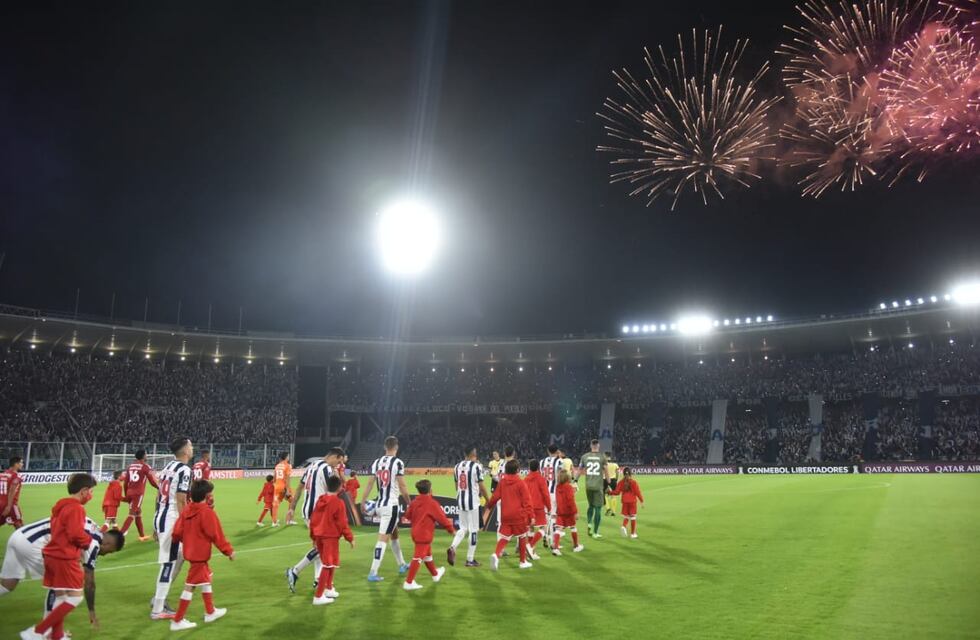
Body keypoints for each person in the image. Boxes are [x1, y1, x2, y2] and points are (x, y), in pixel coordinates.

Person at [2, 500, 124, 637]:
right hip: (34, 545)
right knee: (62, 585)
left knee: (8, 584)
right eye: (110, 551)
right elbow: (89, 583)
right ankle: (47, 632)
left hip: (19, 535)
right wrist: (92, 611)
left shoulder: (91, 524)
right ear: (108, 543)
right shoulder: (94, 544)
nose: (107, 554)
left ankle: (53, 632)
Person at [18, 473, 97, 640]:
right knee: (75, 598)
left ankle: (57, 635)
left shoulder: (60, 506)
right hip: (64, 558)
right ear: (83, 491)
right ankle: (37, 632)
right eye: (91, 491)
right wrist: (88, 540)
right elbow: (75, 534)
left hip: (51, 556)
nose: (92, 495)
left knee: (61, 597)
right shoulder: (76, 508)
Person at [169, 480, 234, 631]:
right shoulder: (206, 512)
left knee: (205, 579)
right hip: (199, 555)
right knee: (190, 586)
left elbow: (177, 532)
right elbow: (216, 535)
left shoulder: (187, 510)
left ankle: (210, 611)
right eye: (211, 493)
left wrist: (183, 539)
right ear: (207, 495)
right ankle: (177, 620)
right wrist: (228, 551)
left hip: (190, 553)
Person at [284, 447, 345, 591]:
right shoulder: (327, 469)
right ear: (334, 456)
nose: (338, 464)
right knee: (323, 547)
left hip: (307, 510)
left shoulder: (313, 465)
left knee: (318, 546)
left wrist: (292, 508)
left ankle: (318, 580)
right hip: (318, 512)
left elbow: (299, 487)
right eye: (339, 461)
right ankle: (295, 571)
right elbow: (335, 490)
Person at [150, 437, 194, 621]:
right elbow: (181, 499)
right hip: (172, 519)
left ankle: (159, 598)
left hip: (161, 516)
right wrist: (187, 525)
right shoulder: (184, 470)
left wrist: (155, 523)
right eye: (190, 445)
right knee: (168, 563)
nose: (192, 448)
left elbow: (159, 494)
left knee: (181, 556)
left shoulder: (168, 467)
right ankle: (158, 608)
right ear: (185, 451)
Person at [361, 436, 411, 582]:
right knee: (383, 539)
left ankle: (402, 564)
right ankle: (373, 572)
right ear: (396, 447)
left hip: (379, 504)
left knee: (394, 534)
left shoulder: (377, 462)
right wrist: (409, 502)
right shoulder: (398, 462)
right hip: (391, 506)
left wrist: (363, 501)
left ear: (385, 447)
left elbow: (370, 484)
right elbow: (402, 486)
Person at [308, 476, 354, 605]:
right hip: (330, 537)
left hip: (319, 536)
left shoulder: (320, 500)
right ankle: (318, 596)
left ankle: (328, 589)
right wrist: (350, 538)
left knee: (331, 563)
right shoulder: (338, 503)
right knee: (328, 565)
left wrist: (313, 536)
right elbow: (343, 523)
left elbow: (313, 520)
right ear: (339, 487)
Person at [403, 479, 455, 590]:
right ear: (430, 489)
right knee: (418, 557)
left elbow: (407, 516)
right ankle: (408, 582)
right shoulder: (432, 503)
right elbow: (442, 518)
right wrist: (451, 530)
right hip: (424, 535)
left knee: (427, 555)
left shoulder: (414, 502)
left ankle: (435, 575)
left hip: (416, 533)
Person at [483, 459, 533, 571]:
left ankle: (496, 555)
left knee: (504, 538)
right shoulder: (521, 483)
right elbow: (527, 501)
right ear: (517, 470)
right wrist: (530, 516)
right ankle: (522, 561)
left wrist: (489, 506)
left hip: (505, 515)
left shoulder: (502, 482)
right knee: (522, 536)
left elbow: (495, 497)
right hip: (518, 515)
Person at [447, 445, 489, 568]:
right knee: (473, 530)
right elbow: (481, 486)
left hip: (460, 500)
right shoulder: (476, 467)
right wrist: (488, 499)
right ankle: (470, 559)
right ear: (473, 454)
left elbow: (456, 486)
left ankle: (452, 547)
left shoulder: (457, 467)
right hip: (473, 502)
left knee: (463, 528)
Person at [120, 450, 159, 541]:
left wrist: (126, 495)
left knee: (138, 513)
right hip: (138, 494)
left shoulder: (130, 466)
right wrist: (159, 488)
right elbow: (152, 481)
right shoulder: (145, 467)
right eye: (146, 454)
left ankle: (142, 535)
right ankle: (120, 536)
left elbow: (125, 483)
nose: (147, 455)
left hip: (129, 492)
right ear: (143, 456)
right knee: (131, 514)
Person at [576, 439, 609, 539]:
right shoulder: (602, 457)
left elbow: (579, 470)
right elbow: (606, 471)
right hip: (598, 486)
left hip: (588, 486)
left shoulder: (584, 456)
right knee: (598, 508)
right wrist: (609, 482)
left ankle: (589, 523)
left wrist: (575, 480)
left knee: (590, 506)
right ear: (598, 446)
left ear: (591, 446)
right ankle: (595, 532)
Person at [523, 459, 551, 560]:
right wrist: (549, 507)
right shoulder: (541, 479)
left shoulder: (525, 479)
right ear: (538, 467)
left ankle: (532, 553)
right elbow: (545, 494)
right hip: (538, 507)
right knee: (543, 528)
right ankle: (530, 546)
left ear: (529, 468)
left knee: (531, 529)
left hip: (528, 508)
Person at [552, 470, 583, 555]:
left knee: (558, 529)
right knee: (573, 527)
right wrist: (575, 512)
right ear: (567, 477)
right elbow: (570, 501)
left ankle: (556, 548)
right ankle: (576, 546)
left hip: (560, 511)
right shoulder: (568, 487)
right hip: (568, 512)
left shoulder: (557, 487)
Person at [610, 467, 644, 538]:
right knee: (633, 517)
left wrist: (609, 492)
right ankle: (633, 534)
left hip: (625, 501)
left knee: (626, 516)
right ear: (630, 474)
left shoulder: (621, 482)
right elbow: (638, 492)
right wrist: (641, 501)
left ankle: (624, 526)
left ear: (623, 474)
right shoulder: (633, 482)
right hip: (632, 501)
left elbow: (617, 492)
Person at [539, 445, 564, 542]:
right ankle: (553, 540)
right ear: (557, 451)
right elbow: (560, 477)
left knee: (546, 515)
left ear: (547, 451)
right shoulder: (559, 461)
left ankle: (545, 534)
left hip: (544, 492)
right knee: (553, 516)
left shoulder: (542, 462)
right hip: (554, 492)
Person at [1, 456, 25, 529]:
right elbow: (12, 491)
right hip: (11, 505)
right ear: (16, 464)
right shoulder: (16, 476)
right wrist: (9, 506)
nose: (22, 464)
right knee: (20, 526)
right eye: (21, 462)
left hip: (1, 503)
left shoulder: (3, 474)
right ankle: (22, 540)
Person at [273, 452, 292, 526]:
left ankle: (274, 522)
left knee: (276, 504)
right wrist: (287, 490)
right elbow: (287, 478)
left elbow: (274, 478)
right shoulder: (287, 466)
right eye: (288, 456)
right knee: (292, 501)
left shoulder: (277, 466)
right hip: (284, 487)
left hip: (277, 486)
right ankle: (288, 520)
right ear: (286, 457)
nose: (289, 457)